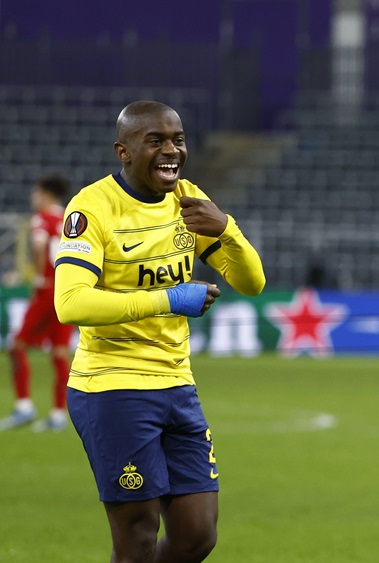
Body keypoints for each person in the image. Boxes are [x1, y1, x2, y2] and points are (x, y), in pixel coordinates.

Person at [54, 100, 266, 563]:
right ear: (124, 151)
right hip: (112, 387)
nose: (171, 150)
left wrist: (228, 229)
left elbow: (253, 283)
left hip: (177, 385)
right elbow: (70, 304)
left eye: (178, 140)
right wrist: (168, 299)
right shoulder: (92, 207)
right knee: (137, 539)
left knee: (197, 535)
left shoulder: (187, 199)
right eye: (156, 141)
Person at [1, 174, 74, 432]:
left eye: (36, 193)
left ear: (45, 194)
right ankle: (58, 413)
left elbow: (39, 246)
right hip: (65, 291)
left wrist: (36, 277)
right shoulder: (69, 218)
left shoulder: (41, 219)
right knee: (60, 352)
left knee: (16, 346)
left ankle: (24, 406)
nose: (33, 198)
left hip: (46, 291)